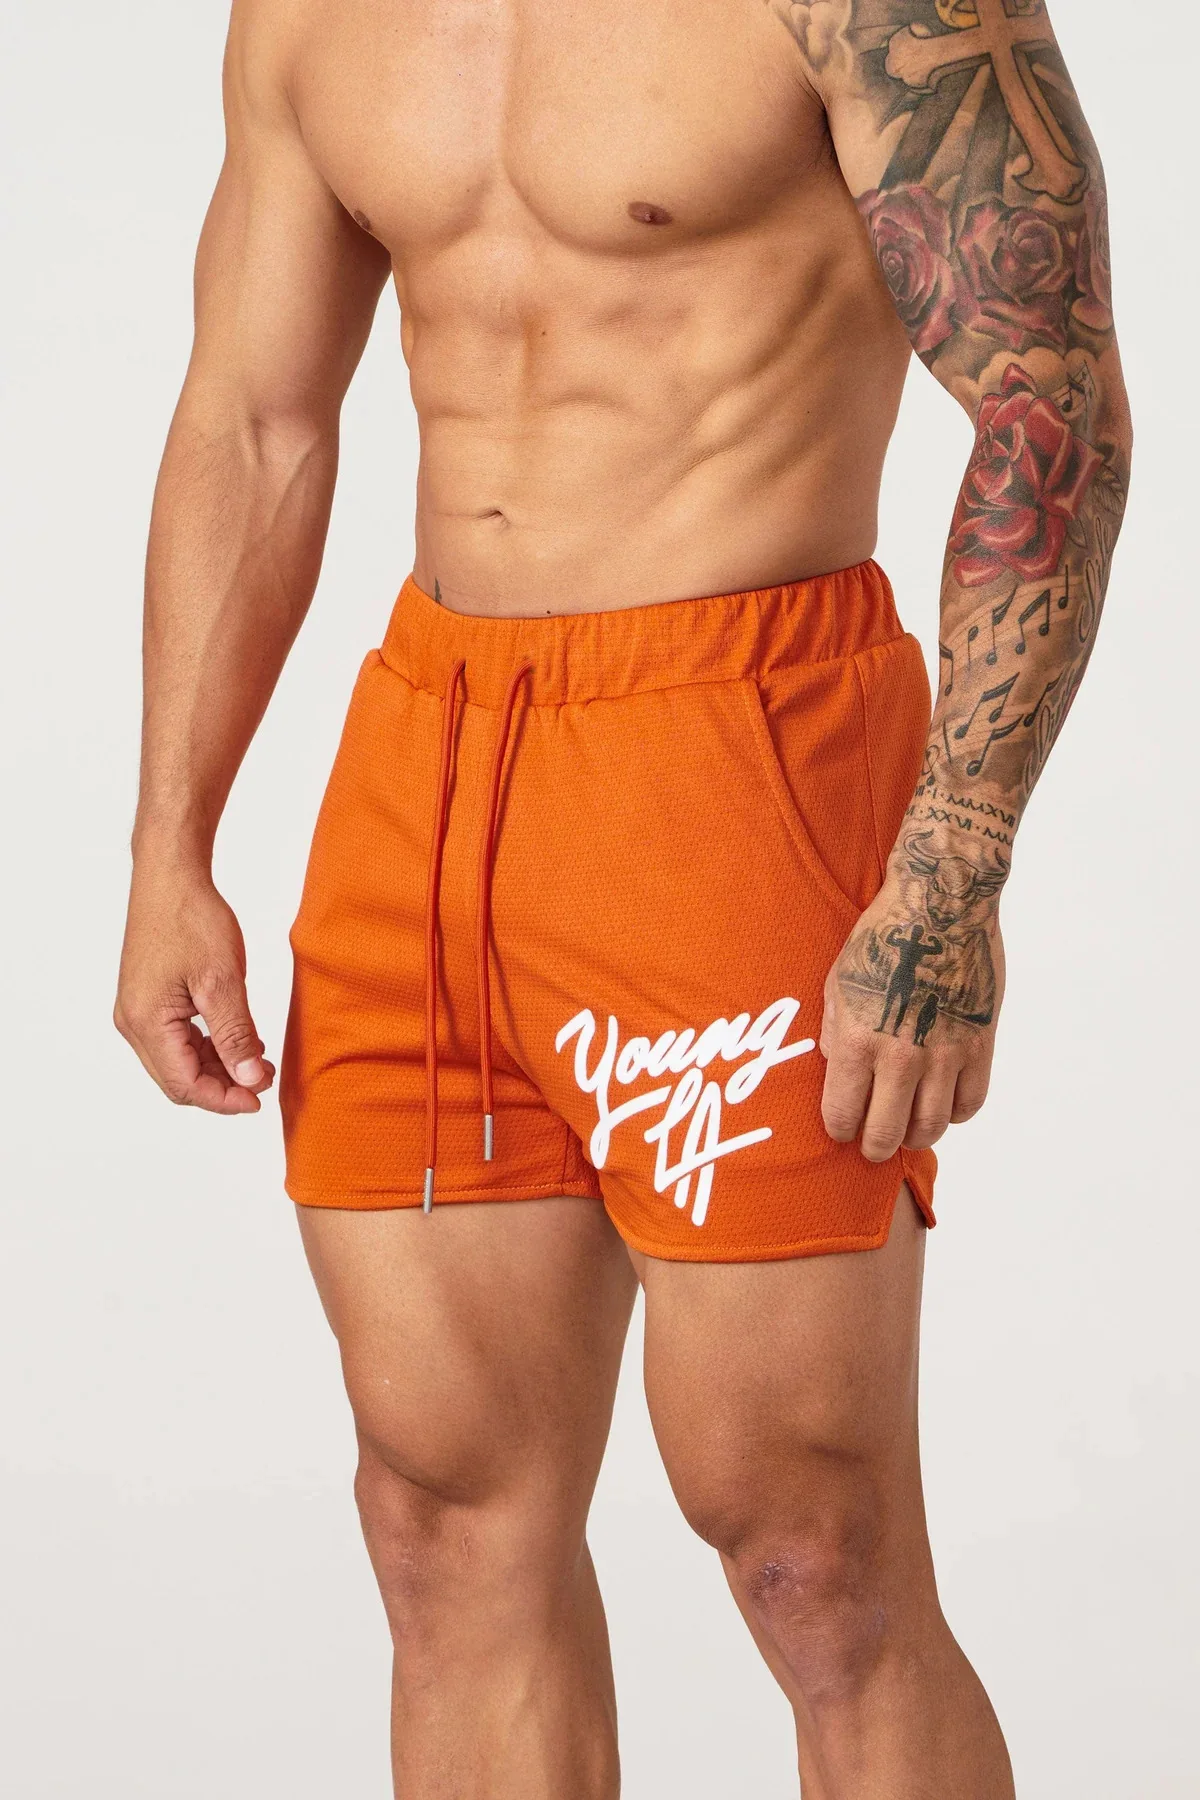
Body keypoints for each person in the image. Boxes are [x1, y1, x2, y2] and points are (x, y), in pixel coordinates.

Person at [114, 1, 1130, 1792]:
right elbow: (256, 417)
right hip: (427, 765)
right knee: (438, 1521)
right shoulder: (310, 16)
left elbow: (1046, 398)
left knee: (810, 1550)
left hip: (744, 754)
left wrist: (952, 864)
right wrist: (165, 849)